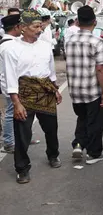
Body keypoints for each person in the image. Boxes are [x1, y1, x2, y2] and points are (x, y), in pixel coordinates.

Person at [2, 10, 62, 184]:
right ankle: (22, 168)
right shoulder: (11, 49)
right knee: (22, 133)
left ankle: (53, 155)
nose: (40, 30)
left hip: (46, 93)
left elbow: (50, 71)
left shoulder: (45, 46)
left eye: (40, 26)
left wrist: (55, 89)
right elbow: (11, 77)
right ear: (22, 27)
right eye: (35, 26)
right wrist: (16, 103)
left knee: (51, 128)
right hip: (24, 94)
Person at [65, 6, 103, 164]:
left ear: (77, 21)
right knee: (95, 121)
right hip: (92, 91)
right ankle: (94, 153)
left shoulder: (69, 41)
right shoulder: (96, 41)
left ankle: (78, 144)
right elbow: (101, 69)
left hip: (75, 91)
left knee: (82, 118)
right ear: (95, 22)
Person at [1, 14, 21, 154]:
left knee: (15, 111)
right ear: (16, 27)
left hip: (11, 83)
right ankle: (8, 142)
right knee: (10, 112)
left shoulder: (9, 43)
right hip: (10, 84)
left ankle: (17, 138)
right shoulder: (9, 45)